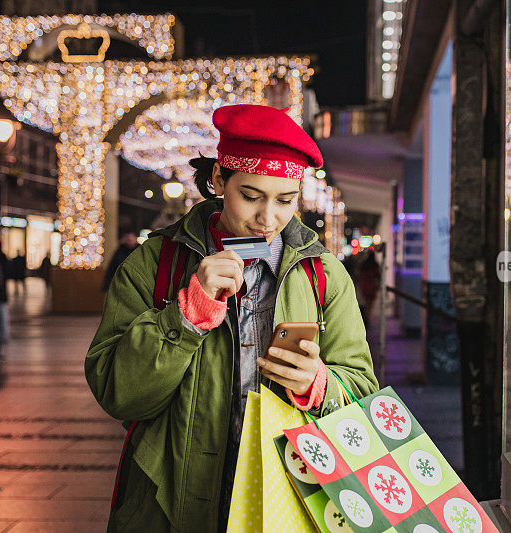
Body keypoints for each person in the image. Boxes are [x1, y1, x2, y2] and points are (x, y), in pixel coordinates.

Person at [85, 104, 378, 532]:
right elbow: (117, 393)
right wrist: (186, 317)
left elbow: (361, 389)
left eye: (286, 200)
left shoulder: (323, 275)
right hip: (170, 499)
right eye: (251, 196)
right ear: (220, 180)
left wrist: (319, 385)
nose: (268, 219)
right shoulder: (155, 262)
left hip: (286, 498)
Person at [357, 250, 382, 328]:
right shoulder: (375, 265)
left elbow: (358, 273)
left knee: (365, 302)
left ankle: (364, 318)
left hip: (364, 285)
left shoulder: (364, 264)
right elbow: (378, 276)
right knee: (370, 304)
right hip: (372, 286)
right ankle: (366, 319)